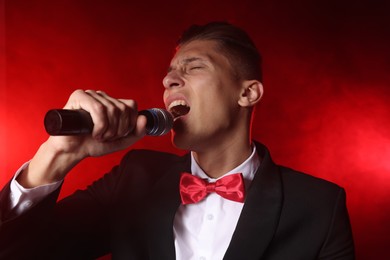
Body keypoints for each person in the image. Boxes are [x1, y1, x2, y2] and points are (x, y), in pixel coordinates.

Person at [0, 21, 354, 259]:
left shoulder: (320, 206)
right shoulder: (134, 177)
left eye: (194, 67)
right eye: (169, 74)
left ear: (247, 93)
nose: (170, 81)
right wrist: (58, 154)